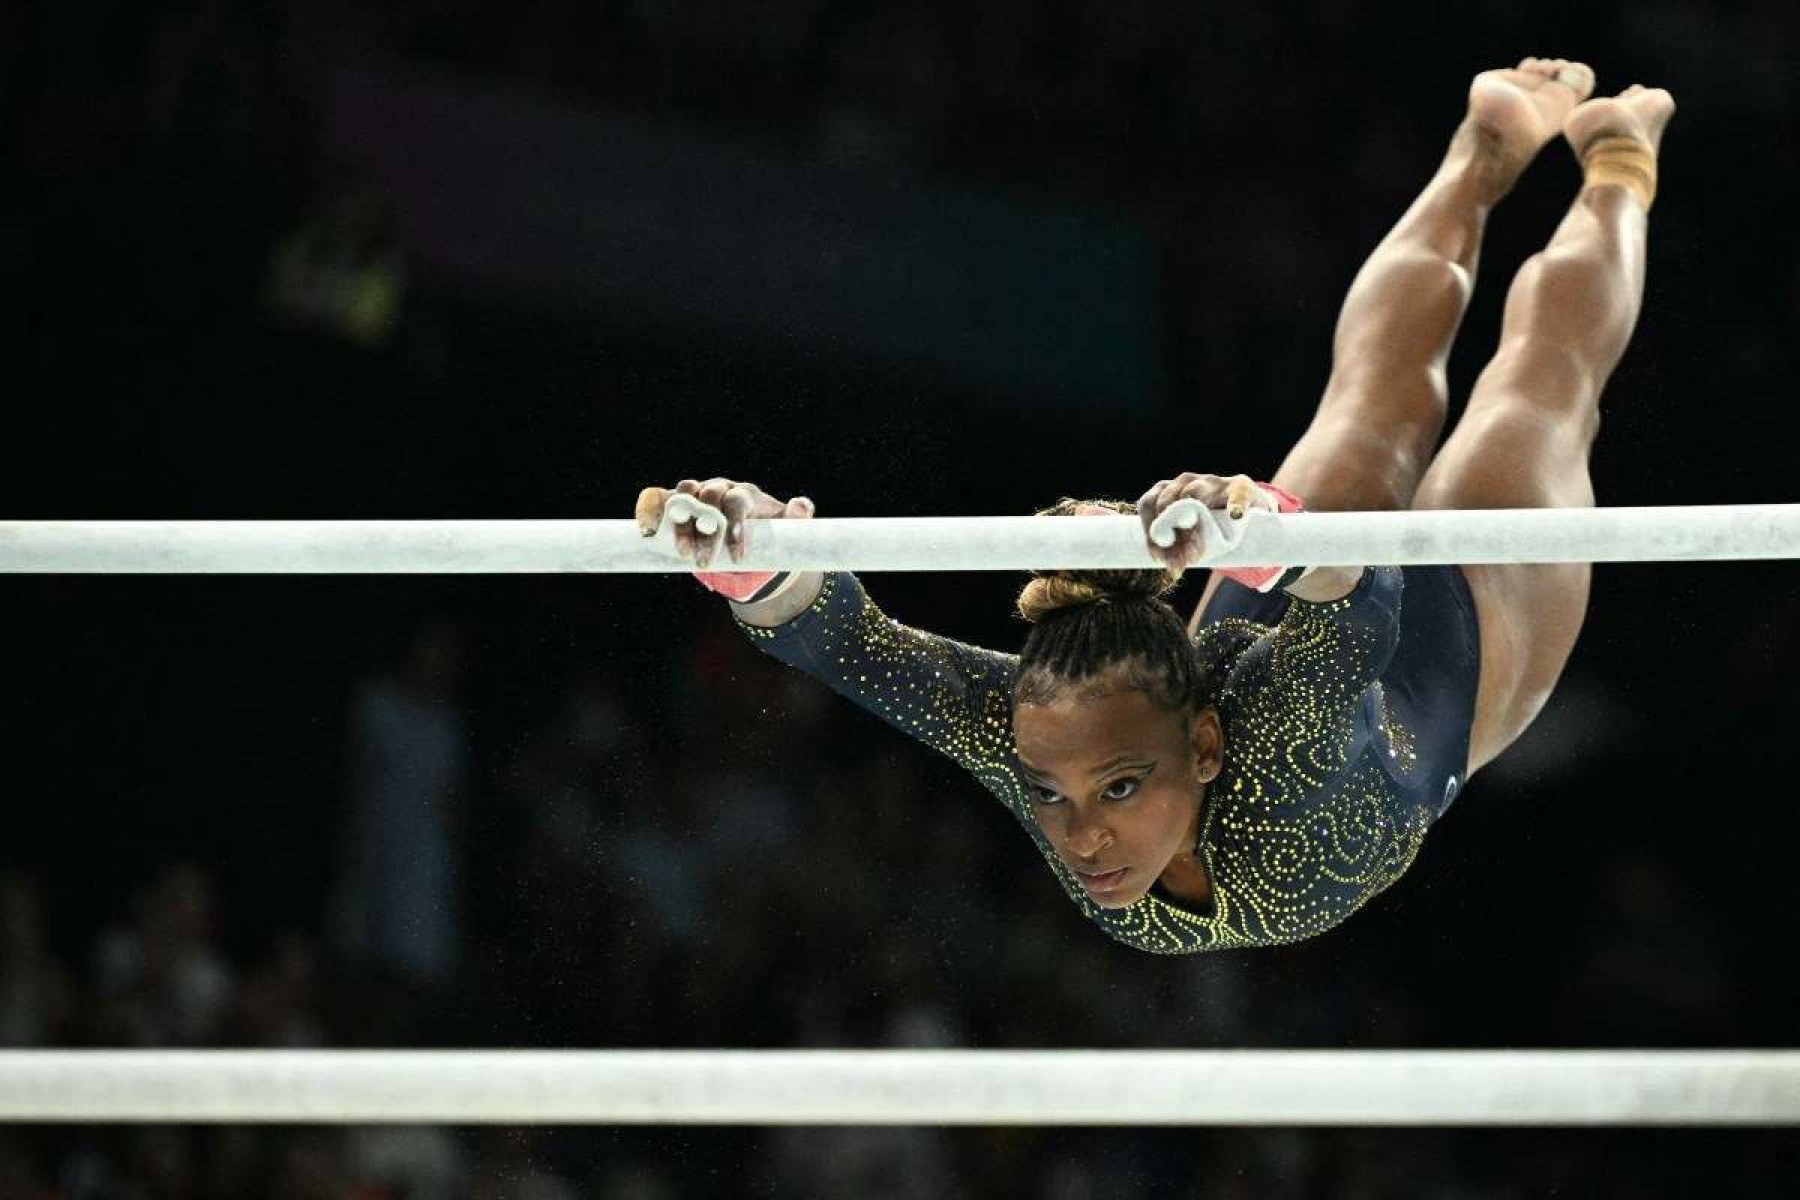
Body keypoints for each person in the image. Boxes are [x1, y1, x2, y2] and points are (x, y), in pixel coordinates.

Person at [634, 59, 1673, 952]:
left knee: (1531, 389)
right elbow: (849, 643)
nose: (1078, 834)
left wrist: (747, 558)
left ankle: (1588, 154)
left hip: (1381, 628)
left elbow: (1366, 606)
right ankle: (1539, 155)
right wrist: (756, 561)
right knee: (1406, 403)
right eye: (1058, 794)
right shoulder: (1051, 746)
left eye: (1116, 789)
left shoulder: (1276, 764)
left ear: (1207, 748)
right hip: (1368, 632)